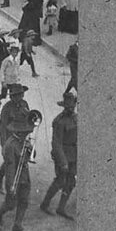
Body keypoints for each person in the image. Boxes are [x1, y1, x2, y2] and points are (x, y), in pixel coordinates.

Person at [0, 107, 37, 231]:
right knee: (10, 203)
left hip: (24, 174)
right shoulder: (10, 145)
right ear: (18, 131)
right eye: (25, 132)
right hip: (14, 176)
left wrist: (31, 149)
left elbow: (30, 156)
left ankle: (17, 225)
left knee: (24, 200)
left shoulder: (24, 141)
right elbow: (10, 167)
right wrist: (11, 185)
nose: (27, 133)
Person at [41, 90, 77, 220]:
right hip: (62, 155)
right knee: (60, 181)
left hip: (74, 155)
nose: (71, 109)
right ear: (64, 107)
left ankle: (61, 208)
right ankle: (45, 204)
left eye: (72, 106)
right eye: (68, 107)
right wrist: (63, 162)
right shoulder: (59, 122)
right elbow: (56, 143)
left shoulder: (76, 118)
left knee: (71, 182)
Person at [0, 84, 30, 193]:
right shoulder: (7, 107)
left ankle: (5, 182)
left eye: (20, 94)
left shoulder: (24, 104)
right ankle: (2, 182)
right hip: (9, 137)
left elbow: (28, 121)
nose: (19, 97)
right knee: (9, 161)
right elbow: (2, 126)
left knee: (18, 159)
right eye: (16, 95)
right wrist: (3, 144)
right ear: (11, 96)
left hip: (20, 136)